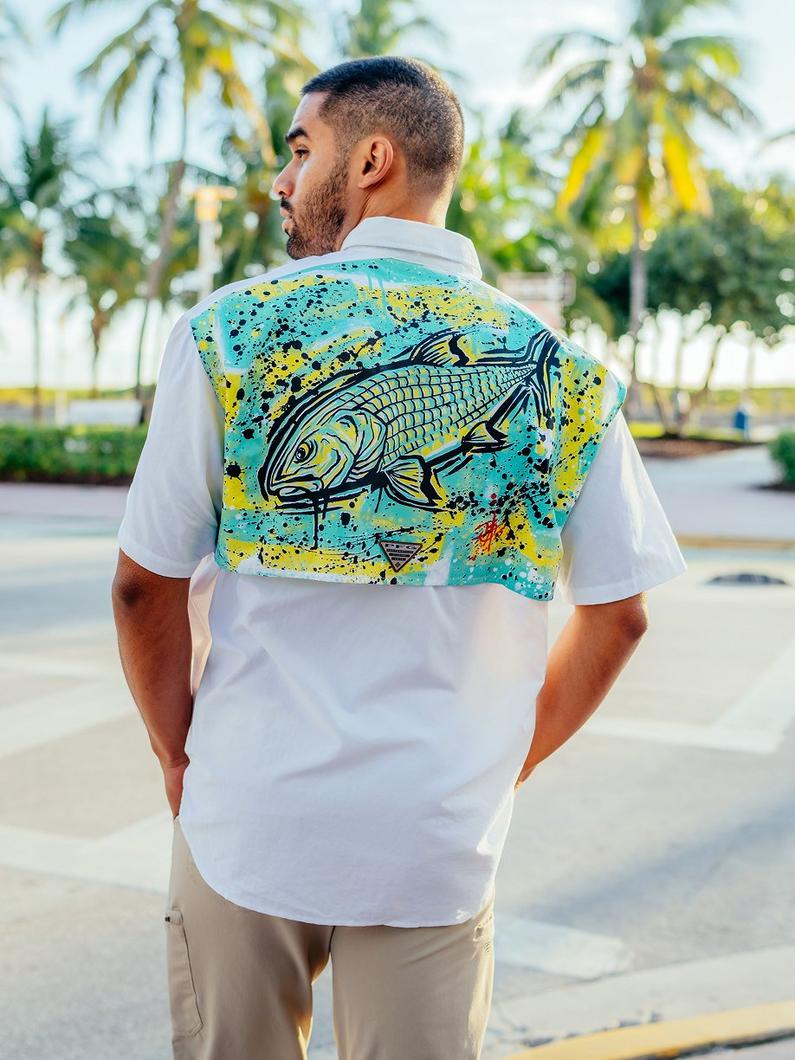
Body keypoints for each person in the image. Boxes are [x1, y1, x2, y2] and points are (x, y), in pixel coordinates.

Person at [111, 56, 687, 1060]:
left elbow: (140, 584)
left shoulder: (229, 333)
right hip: (436, 834)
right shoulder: (557, 369)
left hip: (248, 811)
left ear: (372, 159)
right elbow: (621, 612)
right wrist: (507, 760)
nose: (283, 181)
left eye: (301, 150)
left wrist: (178, 754)